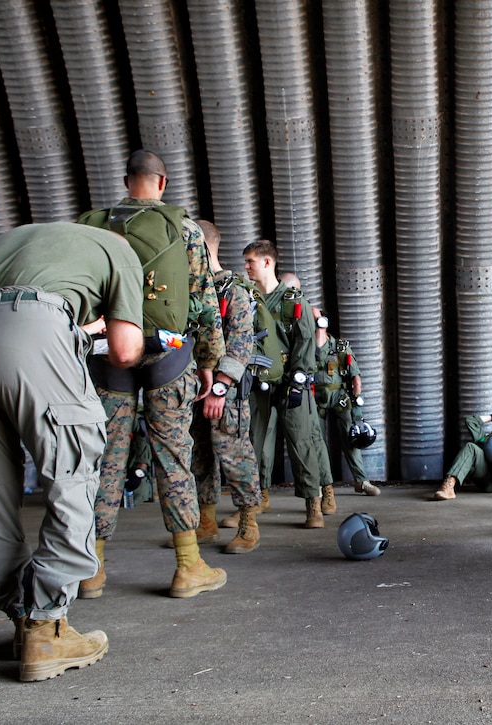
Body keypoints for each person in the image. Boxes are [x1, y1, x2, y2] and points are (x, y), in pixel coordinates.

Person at [0, 222, 144, 681]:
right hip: (29, 326)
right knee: (73, 468)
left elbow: (7, 308)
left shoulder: (26, 235)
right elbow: (126, 351)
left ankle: (20, 619)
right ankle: (46, 626)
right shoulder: (120, 249)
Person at [77, 149, 227, 600]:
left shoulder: (94, 225)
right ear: (162, 184)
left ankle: (92, 569)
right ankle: (187, 566)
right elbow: (201, 300)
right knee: (172, 457)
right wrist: (207, 362)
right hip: (169, 357)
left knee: (104, 459)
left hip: (108, 357)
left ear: (128, 182)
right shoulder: (183, 228)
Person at [243, 240, 335, 528]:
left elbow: (306, 342)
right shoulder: (246, 300)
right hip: (258, 383)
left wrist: (298, 381)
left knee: (302, 442)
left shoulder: (295, 302)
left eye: (250, 261)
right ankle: (251, 502)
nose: (246, 266)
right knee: (252, 445)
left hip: (289, 383)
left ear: (267, 262)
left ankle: (313, 504)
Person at [188, 220, 261, 553]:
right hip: (193, 389)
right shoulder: (190, 290)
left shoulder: (233, 288)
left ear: (203, 247)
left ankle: (249, 523)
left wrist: (220, 387)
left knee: (234, 456)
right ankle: (206, 521)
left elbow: (242, 343)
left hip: (225, 392)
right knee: (199, 457)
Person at [312, 307, 381, 496]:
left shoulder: (339, 346)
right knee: (316, 440)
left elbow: (355, 375)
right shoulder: (305, 346)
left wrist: (357, 400)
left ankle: (361, 480)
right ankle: (320, 484)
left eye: (317, 318)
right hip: (315, 398)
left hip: (340, 397)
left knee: (352, 438)